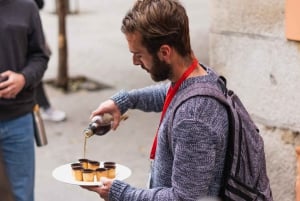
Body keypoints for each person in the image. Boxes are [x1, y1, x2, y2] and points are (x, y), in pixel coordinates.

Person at [82, 0, 229, 200]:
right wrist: (124, 101)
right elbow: (169, 94)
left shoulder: (193, 117)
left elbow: (184, 198)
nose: (135, 62)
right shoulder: (199, 76)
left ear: (165, 52)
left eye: (139, 55)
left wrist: (120, 193)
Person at [0, 0, 49, 200]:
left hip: (18, 120)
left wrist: (23, 78)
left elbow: (40, 56)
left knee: (22, 195)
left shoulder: (27, 6)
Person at [34, 0, 67, 122]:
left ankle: (44, 107)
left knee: (33, 70)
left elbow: (39, 4)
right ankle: (44, 107)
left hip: (26, 31)